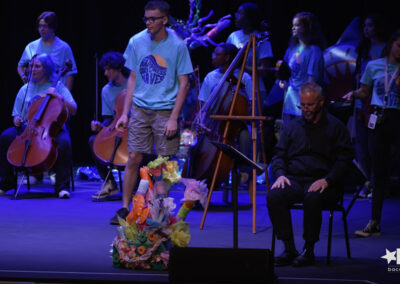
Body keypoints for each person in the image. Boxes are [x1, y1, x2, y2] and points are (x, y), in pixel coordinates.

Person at [109, 0, 193, 224]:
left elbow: (184, 83)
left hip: (165, 111)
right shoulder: (136, 41)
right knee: (134, 157)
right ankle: (125, 209)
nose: (148, 23)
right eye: (146, 18)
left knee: (162, 163)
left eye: (153, 19)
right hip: (140, 108)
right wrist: (125, 113)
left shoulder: (177, 45)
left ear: (164, 20)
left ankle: (160, 212)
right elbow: (133, 78)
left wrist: (174, 117)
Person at [267, 82, 354, 266]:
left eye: (310, 105)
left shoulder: (335, 127)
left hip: (324, 182)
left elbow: (344, 160)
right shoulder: (292, 127)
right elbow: (279, 154)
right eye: (302, 105)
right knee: (275, 195)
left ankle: (309, 249)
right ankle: (289, 247)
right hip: (296, 179)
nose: (305, 109)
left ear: (321, 102)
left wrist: (328, 180)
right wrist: (281, 174)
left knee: (312, 197)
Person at [343, 29, 400, 238]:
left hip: (397, 119)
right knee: (378, 172)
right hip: (378, 119)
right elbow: (365, 92)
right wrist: (354, 94)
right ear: (392, 43)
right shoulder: (374, 65)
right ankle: (374, 221)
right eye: (399, 45)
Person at [0, 53, 77, 198]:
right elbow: (17, 114)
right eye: (30, 66)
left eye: (37, 66)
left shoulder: (58, 86)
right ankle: (7, 182)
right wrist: (16, 119)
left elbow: (73, 109)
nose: (32, 69)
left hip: (52, 130)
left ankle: (62, 186)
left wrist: (58, 97)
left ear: (46, 68)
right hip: (28, 128)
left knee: (64, 142)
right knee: (5, 136)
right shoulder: (25, 89)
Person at [198, 43, 255, 203]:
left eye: (217, 54)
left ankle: (243, 170)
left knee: (245, 137)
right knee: (199, 145)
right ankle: (199, 185)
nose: (213, 57)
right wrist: (202, 122)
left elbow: (250, 104)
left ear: (227, 58)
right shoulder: (210, 77)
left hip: (237, 124)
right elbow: (204, 105)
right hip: (213, 124)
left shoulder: (244, 78)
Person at [353, 14, 387, 198]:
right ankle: (367, 182)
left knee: (375, 148)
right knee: (361, 147)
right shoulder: (363, 48)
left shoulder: (386, 49)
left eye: (371, 25)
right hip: (361, 104)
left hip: (376, 104)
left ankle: (377, 185)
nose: (367, 29)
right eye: (365, 26)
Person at [88, 51, 129, 200]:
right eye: (104, 70)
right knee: (93, 140)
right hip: (117, 129)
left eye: (108, 69)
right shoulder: (106, 90)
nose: (105, 73)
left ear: (118, 68)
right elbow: (108, 118)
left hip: (135, 128)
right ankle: (109, 182)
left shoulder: (133, 83)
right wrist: (101, 127)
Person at [279, 12, 325, 124]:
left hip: (303, 104)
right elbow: (285, 73)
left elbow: (311, 81)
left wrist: (307, 103)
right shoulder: (291, 49)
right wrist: (282, 82)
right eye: (293, 25)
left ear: (307, 27)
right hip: (289, 100)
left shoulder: (314, 51)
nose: (293, 27)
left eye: (297, 25)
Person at [17, 11, 78, 91]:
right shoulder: (31, 46)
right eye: (40, 26)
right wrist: (23, 77)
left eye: (45, 26)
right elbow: (20, 66)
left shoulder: (64, 47)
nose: (42, 29)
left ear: (53, 28)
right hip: (35, 92)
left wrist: (65, 96)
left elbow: (70, 74)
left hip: (56, 92)